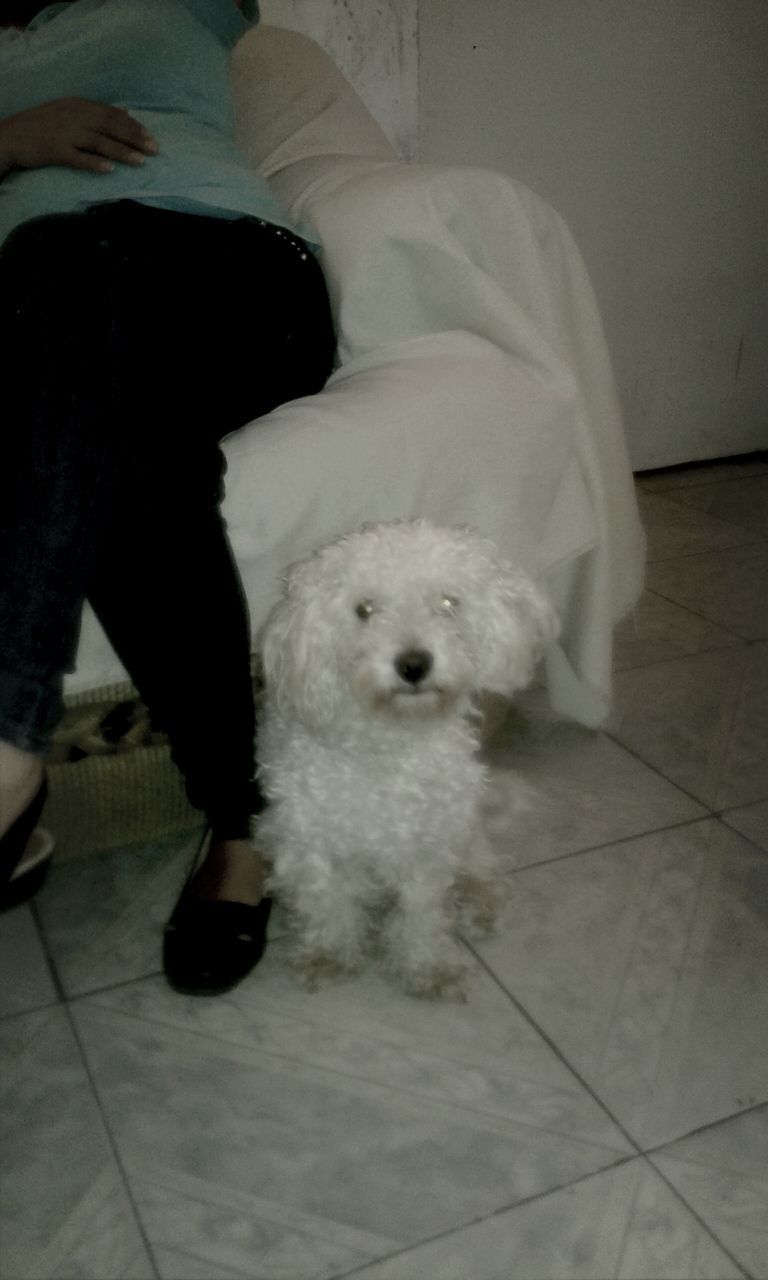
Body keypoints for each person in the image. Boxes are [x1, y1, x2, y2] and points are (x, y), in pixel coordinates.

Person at [0, 0, 336, 993]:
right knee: (127, 452)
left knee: (69, 257)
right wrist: (10, 140)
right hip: (39, 323)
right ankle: (245, 821)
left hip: (226, 276)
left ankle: (6, 746)